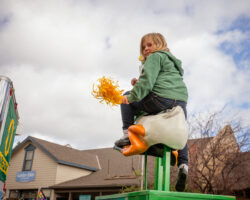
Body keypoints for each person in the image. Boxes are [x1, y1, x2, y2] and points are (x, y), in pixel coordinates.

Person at [114, 33, 189, 192]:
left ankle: (127, 135)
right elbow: (158, 80)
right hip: (180, 100)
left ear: (160, 44)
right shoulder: (171, 61)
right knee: (181, 129)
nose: (146, 49)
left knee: (126, 98)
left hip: (161, 99)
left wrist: (133, 96)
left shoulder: (155, 57)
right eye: (143, 47)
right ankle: (184, 164)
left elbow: (147, 83)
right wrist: (139, 82)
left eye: (150, 45)